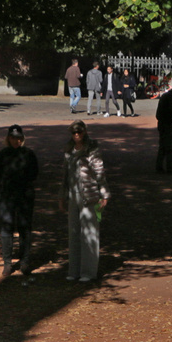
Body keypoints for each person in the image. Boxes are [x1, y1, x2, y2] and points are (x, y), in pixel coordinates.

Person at [0, 123, 39, 285]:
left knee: (24, 227)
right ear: (8, 138)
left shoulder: (28, 154)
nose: (16, 141)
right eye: (13, 138)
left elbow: (34, 173)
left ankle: (25, 261)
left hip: (25, 195)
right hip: (6, 195)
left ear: (22, 139)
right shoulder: (3, 154)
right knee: (7, 228)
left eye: (19, 138)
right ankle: (8, 263)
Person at [62, 120, 107, 282]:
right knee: (73, 232)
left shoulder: (92, 149)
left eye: (79, 132)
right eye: (74, 132)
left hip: (89, 194)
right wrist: (62, 195)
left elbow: (99, 171)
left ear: (84, 132)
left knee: (88, 232)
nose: (76, 135)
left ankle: (88, 272)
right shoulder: (69, 149)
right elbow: (65, 175)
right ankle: (74, 270)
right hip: (73, 194)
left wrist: (104, 194)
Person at [155, 79, 172, 174]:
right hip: (166, 124)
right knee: (170, 147)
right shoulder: (170, 97)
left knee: (163, 146)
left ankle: (159, 166)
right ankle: (169, 167)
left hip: (162, 124)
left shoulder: (166, 96)